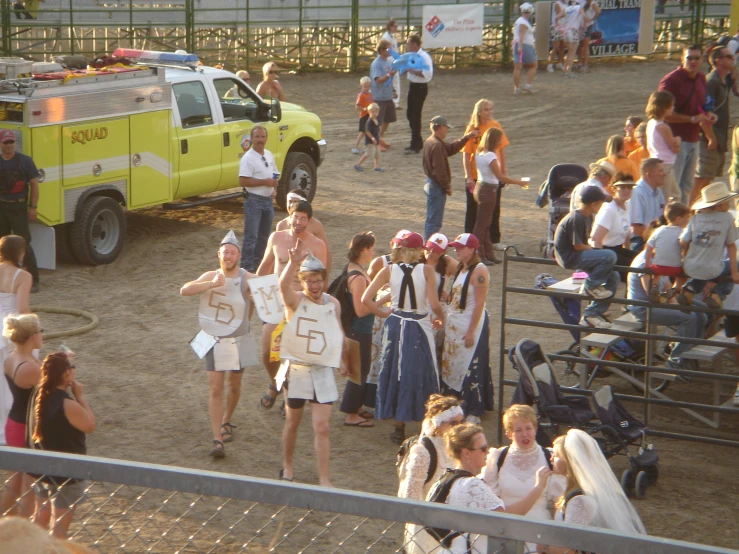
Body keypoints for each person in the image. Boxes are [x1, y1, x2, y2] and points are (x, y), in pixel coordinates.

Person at [416, 422, 552, 554]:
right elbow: (508, 516)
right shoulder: (472, 485)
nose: (488, 451)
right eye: (482, 448)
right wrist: (539, 487)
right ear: (466, 453)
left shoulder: (444, 479)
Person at [361, 230, 445, 444]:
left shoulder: (388, 270)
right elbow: (434, 304)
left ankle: (399, 424)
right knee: (423, 369)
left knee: (394, 370)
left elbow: (366, 298)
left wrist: (383, 312)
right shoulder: (427, 270)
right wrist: (441, 317)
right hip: (419, 325)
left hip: (396, 324)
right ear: (419, 251)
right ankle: (428, 420)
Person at [180, 231, 256, 458]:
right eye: (225, 253)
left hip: (240, 337)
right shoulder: (211, 275)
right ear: (219, 255)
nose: (228, 256)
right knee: (215, 388)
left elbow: (271, 296)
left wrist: (256, 297)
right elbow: (184, 290)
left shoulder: (248, 278)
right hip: (214, 338)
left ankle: (227, 420)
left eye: (232, 252)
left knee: (234, 386)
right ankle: (217, 439)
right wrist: (210, 284)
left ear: (239, 255)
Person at [276, 242, 348, 485]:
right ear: (303, 281)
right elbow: (281, 285)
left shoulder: (333, 304)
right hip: (296, 371)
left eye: (319, 280)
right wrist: (294, 262)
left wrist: (343, 360)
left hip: (321, 371)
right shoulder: (294, 301)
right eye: (310, 281)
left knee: (323, 427)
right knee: (293, 422)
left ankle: (324, 480)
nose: (315, 286)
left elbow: (337, 334)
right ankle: (287, 467)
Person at [257, 200, 328, 411]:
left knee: (295, 355)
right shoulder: (277, 238)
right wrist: (254, 291)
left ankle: (290, 397)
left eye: (303, 218)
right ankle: (277, 383)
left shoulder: (317, 245)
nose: (298, 222)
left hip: (302, 302)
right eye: (295, 217)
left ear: (310, 220)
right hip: (277, 301)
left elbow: (321, 277)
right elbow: (264, 268)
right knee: (268, 352)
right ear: (289, 217)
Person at [537, 429, 645, 553]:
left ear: (569, 461)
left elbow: (570, 546)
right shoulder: (574, 491)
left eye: (556, 455)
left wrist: (543, 545)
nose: (551, 459)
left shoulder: (580, 501)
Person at [28, 351, 95, 539]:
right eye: (72, 367)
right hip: (67, 473)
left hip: (42, 468)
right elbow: (90, 425)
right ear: (66, 374)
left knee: (40, 519)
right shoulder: (68, 404)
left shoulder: (38, 396)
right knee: (59, 531)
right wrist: (80, 396)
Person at [481, 405, 566, 552]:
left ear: (536, 429)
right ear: (508, 434)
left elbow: (560, 501)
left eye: (528, 428)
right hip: (506, 529)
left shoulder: (549, 457)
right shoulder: (498, 458)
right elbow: (489, 497)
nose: (525, 434)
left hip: (538, 533)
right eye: (518, 430)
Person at [398, 394, 463, 554]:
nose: (459, 427)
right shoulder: (423, 452)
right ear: (438, 425)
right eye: (453, 423)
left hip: (453, 527)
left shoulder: (459, 446)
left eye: (461, 422)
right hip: (427, 531)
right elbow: (410, 497)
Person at [440, 234, 493, 424]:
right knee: (454, 364)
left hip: (469, 324)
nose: (457, 250)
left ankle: (474, 409)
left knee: (470, 364)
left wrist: (471, 331)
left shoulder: (479, 271)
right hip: (456, 324)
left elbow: (478, 304)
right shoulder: (462, 269)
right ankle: (457, 404)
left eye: (460, 247)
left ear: (471, 249)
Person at [627, 247, 707, 372]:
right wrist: (657, 278)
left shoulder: (659, 260)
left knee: (701, 311)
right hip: (643, 308)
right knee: (689, 319)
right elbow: (651, 296)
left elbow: (668, 289)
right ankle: (675, 360)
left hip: (657, 304)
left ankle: (687, 349)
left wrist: (677, 307)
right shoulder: (645, 264)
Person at [659, 44, 718, 204]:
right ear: (682, 59)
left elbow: (702, 106)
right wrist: (692, 119)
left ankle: (681, 219)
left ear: (701, 60)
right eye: (689, 58)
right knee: (673, 186)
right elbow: (663, 114)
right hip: (674, 140)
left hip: (693, 139)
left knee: (686, 185)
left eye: (696, 58)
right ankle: (668, 222)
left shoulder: (700, 78)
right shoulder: (671, 80)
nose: (693, 61)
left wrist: (708, 115)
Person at [553, 186, 618, 329]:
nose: (602, 206)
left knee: (614, 276)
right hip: (570, 257)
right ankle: (590, 286)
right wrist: (594, 250)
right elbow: (578, 246)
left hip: (577, 254)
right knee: (609, 256)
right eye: (601, 202)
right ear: (593, 203)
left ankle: (592, 314)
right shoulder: (578, 217)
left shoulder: (587, 217)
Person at [0, 313, 41, 518]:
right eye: (40, 331)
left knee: (15, 479)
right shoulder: (31, 367)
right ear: (33, 337)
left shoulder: (11, 357)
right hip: (26, 427)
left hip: (14, 422)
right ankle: (22, 531)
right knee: (29, 484)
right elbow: (53, 389)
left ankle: (5, 526)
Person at [677, 182, 739, 310]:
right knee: (733, 265)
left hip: (691, 266)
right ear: (721, 205)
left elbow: (683, 241)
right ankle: (717, 294)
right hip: (712, 268)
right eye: (728, 202)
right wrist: (734, 273)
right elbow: (731, 246)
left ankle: (689, 289)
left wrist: (684, 258)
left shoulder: (695, 218)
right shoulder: (727, 218)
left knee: (705, 268)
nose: (730, 205)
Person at [473, 128, 528, 264]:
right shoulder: (490, 156)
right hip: (489, 191)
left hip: (480, 187)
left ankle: (488, 253)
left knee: (485, 223)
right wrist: (519, 182)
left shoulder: (479, 152)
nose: (500, 142)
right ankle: (478, 255)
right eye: (499, 140)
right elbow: (500, 176)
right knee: (481, 225)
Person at [339, 231, 377, 428]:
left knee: (362, 368)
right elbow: (361, 310)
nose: (373, 252)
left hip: (358, 328)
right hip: (358, 328)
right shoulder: (359, 277)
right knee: (359, 370)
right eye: (371, 249)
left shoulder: (354, 268)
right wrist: (382, 303)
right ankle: (351, 414)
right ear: (363, 250)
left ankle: (355, 406)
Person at [462, 100, 509, 247]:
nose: (490, 112)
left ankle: (494, 240)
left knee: (494, 207)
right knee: (473, 209)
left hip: (494, 175)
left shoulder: (496, 126)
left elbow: (501, 150)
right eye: (486, 110)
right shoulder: (472, 128)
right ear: (479, 112)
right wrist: (468, 176)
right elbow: (466, 153)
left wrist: (504, 171)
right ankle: (469, 239)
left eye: (490, 109)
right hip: (477, 175)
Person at [692, 45, 735, 204]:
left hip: (718, 136)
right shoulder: (712, 81)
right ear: (718, 61)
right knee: (702, 178)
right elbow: (704, 111)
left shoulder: (723, 81)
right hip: (710, 137)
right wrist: (711, 138)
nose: (733, 59)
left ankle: (696, 210)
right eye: (729, 57)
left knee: (708, 178)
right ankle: (687, 212)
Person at [422, 116, 477, 239]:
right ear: (441, 127)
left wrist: (466, 138)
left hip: (431, 183)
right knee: (435, 221)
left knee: (431, 218)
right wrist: (447, 186)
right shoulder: (436, 145)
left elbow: (450, 149)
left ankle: (428, 246)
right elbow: (440, 170)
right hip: (437, 186)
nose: (447, 130)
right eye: (446, 128)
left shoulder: (431, 141)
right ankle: (430, 248)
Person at [0, 235, 31, 443]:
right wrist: (34, 327)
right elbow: (22, 309)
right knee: (16, 379)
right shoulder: (23, 276)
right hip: (11, 329)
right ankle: (16, 426)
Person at [0, 130, 40, 293]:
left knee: (24, 243)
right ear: (1, 144)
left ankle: (34, 280)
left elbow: (35, 185)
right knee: (2, 244)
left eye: (11, 142)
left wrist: (33, 207)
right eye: (6, 142)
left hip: (19, 207)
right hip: (2, 207)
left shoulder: (25, 161)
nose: (9, 146)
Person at [238, 125, 279, 272]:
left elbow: (275, 172)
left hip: (268, 201)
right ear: (252, 139)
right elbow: (243, 181)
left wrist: (274, 188)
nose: (260, 140)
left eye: (262, 137)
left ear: (266, 138)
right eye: (257, 137)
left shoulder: (268, 154)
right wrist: (265, 182)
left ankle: (259, 266)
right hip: (254, 201)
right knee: (251, 237)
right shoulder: (248, 158)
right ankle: (246, 269)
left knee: (264, 237)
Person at [645, 201, 692, 302]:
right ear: (678, 218)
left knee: (656, 272)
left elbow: (648, 247)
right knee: (682, 276)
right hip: (675, 269)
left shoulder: (658, 230)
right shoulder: (682, 232)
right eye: (687, 217)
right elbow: (684, 247)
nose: (688, 220)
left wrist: (647, 263)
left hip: (658, 267)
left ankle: (654, 286)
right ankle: (675, 289)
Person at [590, 176, 637, 276]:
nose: (626, 190)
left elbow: (626, 234)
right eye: (622, 187)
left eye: (629, 187)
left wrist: (628, 252)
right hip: (606, 251)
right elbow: (596, 239)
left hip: (618, 249)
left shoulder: (627, 206)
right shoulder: (609, 209)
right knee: (636, 269)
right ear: (613, 189)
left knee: (641, 259)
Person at [276, 189, 331, 272]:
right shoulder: (281, 225)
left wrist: (325, 278)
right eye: (289, 201)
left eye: (295, 202)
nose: (291, 204)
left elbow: (326, 253)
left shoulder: (315, 225)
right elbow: (275, 256)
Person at [646, 91, 682, 201]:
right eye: (671, 106)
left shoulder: (651, 123)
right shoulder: (663, 127)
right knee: (665, 197)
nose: (673, 108)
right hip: (665, 164)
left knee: (676, 194)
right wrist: (678, 140)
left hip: (656, 161)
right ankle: (666, 217)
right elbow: (675, 149)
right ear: (664, 108)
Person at [629, 158, 668, 252]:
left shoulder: (659, 192)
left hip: (655, 238)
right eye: (660, 171)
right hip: (638, 241)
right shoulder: (637, 192)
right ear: (649, 175)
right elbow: (636, 229)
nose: (664, 174)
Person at [404, 34, 434, 155]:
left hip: (419, 87)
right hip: (413, 85)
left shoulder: (424, 57)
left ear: (415, 44)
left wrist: (410, 70)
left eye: (409, 43)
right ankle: (415, 141)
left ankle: (416, 144)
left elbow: (427, 74)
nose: (407, 46)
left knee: (415, 115)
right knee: (410, 114)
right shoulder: (413, 56)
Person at [370, 40, 398, 151]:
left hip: (387, 95)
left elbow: (389, 78)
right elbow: (378, 80)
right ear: (381, 50)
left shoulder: (388, 61)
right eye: (388, 49)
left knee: (388, 119)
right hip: (379, 96)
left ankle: (380, 138)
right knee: (378, 121)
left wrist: (393, 90)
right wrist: (388, 75)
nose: (390, 51)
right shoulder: (377, 63)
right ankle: (376, 142)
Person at [423, 233, 458, 303]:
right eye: (430, 247)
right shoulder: (416, 258)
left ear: (442, 253)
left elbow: (467, 276)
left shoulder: (448, 262)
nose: (431, 252)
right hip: (418, 307)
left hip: (437, 307)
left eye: (436, 250)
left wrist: (451, 296)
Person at [512, 3, 537, 95]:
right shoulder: (523, 22)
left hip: (518, 44)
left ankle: (516, 88)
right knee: (533, 65)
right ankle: (528, 85)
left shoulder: (519, 21)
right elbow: (521, 35)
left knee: (518, 67)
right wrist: (520, 47)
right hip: (524, 45)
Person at [354, 103, 384, 172]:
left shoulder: (377, 120)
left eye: (376, 112)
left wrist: (379, 137)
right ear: (369, 112)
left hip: (376, 141)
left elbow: (378, 129)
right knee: (367, 154)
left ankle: (376, 167)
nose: (375, 113)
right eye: (373, 112)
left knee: (377, 154)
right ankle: (357, 165)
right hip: (370, 142)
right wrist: (372, 138)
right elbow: (367, 131)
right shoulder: (369, 122)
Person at [381, 19, 401, 109]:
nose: (396, 28)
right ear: (390, 27)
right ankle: (393, 102)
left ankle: (395, 102)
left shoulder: (392, 37)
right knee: (392, 80)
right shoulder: (386, 38)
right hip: (390, 61)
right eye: (395, 26)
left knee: (394, 80)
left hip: (393, 60)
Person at [577, 0, 601, 73]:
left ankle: (585, 64)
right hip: (580, 25)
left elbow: (598, 12)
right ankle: (580, 62)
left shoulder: (592, 3)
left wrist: (591, 19)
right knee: (580, 45)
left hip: (587, 25)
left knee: (585, 45)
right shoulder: (582, 2)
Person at [562, 0, 583, 78]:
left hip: (566, 30)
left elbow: (557, 17)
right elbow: (584, 17)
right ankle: (568, 71)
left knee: (569, 51)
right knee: (572, 52)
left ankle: (566, 69)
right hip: (573, 31)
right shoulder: (579, 8)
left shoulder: (566, 9)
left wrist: (559, 26)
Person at [353, 76, 373, 155]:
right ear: (361, 86)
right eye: (365, 86)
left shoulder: (370, 95)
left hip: (370, 115)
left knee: (369, 132)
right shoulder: (361, 95)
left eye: (368, 86)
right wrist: (365, 109)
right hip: (364, 116)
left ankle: (365, 147)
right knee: (362, 132)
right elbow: (357, 106)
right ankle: (355, 147)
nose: (367, 88)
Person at [546, 0, 566, 73]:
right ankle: (550, 64)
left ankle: (560, 63)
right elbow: (560, 14)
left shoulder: (566, 5)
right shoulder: (557, 4)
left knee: (562, 46)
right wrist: (571, 12)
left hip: (564, 27)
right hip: (556, 27)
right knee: (556, 47)